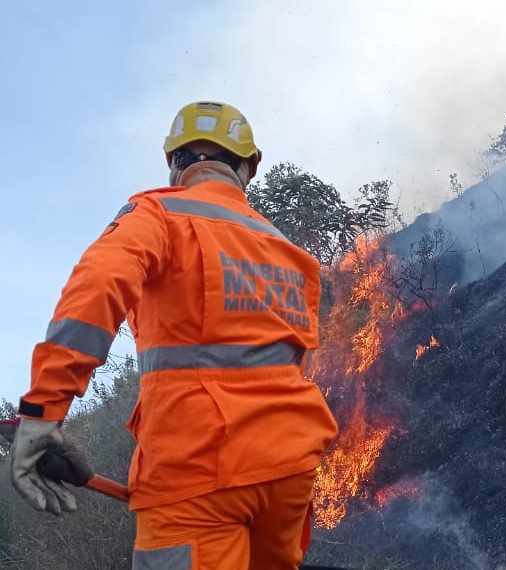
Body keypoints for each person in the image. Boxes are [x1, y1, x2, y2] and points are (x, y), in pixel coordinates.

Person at [9, 101, 338, 569]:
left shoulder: (158, 214)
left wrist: (44, 409)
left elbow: (98, 286)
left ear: (174, 163)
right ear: (250, 164)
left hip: (194, 473)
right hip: (290, 472)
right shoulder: (291, 254)